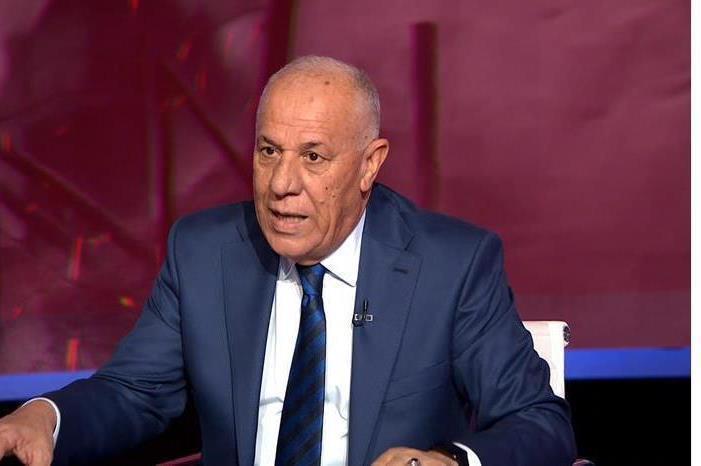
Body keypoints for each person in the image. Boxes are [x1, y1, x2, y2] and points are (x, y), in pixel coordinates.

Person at [0, 56, 576, 466]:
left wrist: (449, 461)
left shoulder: (452, 265)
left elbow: (539, 422)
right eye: (269, 151)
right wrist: (44, 418)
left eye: (313, 157)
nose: (281, 184)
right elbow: (134, 392)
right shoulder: (203, 253)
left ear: (370, 164)